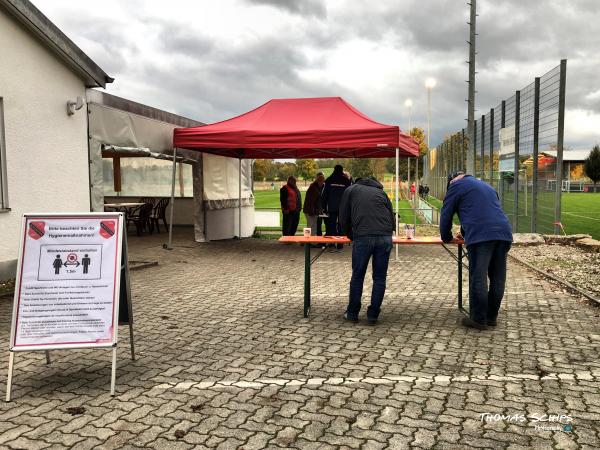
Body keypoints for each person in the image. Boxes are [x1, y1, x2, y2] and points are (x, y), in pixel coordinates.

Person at [440, 171, 513, 330]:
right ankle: (491, 317)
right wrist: (465, 232)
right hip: (503, 233)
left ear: (452, 181)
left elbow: (446, 214)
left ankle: (479, 319)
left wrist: (446, 237)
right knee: (497, 278)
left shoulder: (456, 186)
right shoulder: (486, 186)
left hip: (481, 237)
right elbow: (481, 212)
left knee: (478, 277)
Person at [339, 176, 395, 325]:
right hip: (384, 237)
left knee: (357, 276)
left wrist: (351, 236)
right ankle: (373, 315)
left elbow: (343, 218)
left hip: (363, 236)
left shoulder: (351, 190)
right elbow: (391, 216)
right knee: (380, 278)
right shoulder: (381, 192)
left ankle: (352, 313)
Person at [322, 165, 351, 250]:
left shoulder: (329, 180)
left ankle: (332, 244)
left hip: (332, 207)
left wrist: (323, 207)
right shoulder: (346, 181)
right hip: (343, 207)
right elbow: (350, 194)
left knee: (332, 225)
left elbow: (324, 195)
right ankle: (340, 244)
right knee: (341, 225)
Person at [303, 172, 325, 237]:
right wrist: (312, 212)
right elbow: (311, 201)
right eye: (322, 182)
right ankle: (308, 241)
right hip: (310, 211)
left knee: (311, 226)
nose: (322, 183)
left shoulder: (315, 187)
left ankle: (309, 241)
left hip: (312, 210)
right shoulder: (313, 188)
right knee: (311, 227)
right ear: (319, 181)